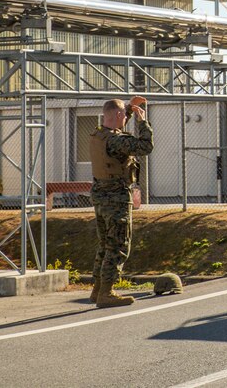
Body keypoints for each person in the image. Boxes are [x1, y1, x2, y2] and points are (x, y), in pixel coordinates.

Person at [90, 96, 154, 308]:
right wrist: (142, 121)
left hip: (100, 195)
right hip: (116, 198)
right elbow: (145, 146)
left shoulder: (99, 135)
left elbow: (116, 115)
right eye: (124, 115)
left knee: (104, 244)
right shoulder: (116, 140)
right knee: (118, 245)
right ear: (118, 116)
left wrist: (126, 108)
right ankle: (107, 293)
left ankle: (98, 289)